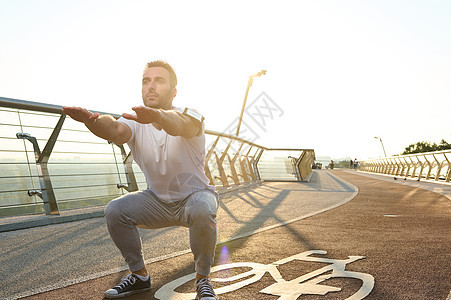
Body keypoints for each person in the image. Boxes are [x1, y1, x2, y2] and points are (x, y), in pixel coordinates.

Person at [62, 60, 219, 299]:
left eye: (159, 81)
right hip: (156, 200)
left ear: (174, 91)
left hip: (194, 197)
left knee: (202, 209)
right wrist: (91, 121)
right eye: (146, 81)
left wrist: (158, 116)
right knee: (115, 210)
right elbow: (114, 130)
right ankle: (139, 275)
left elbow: (182, 126)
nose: (151, 86)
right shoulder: (134, 120)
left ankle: (203, 279)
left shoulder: (191, 115)